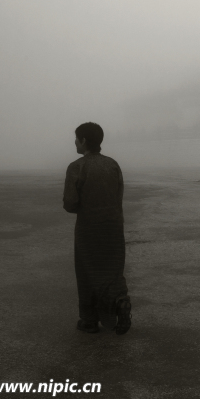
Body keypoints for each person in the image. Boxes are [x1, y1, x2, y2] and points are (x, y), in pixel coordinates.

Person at [62, 122, 132, 335]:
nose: (74, 142)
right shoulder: (113, 165)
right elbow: (118, 196)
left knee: (87, 272)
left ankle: (90, 320)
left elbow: (70, 204)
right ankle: (120, 303)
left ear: (83, 141)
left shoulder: (76, 167)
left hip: (88, 229)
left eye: (76, 138)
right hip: (113, 227)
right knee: (112, 270)